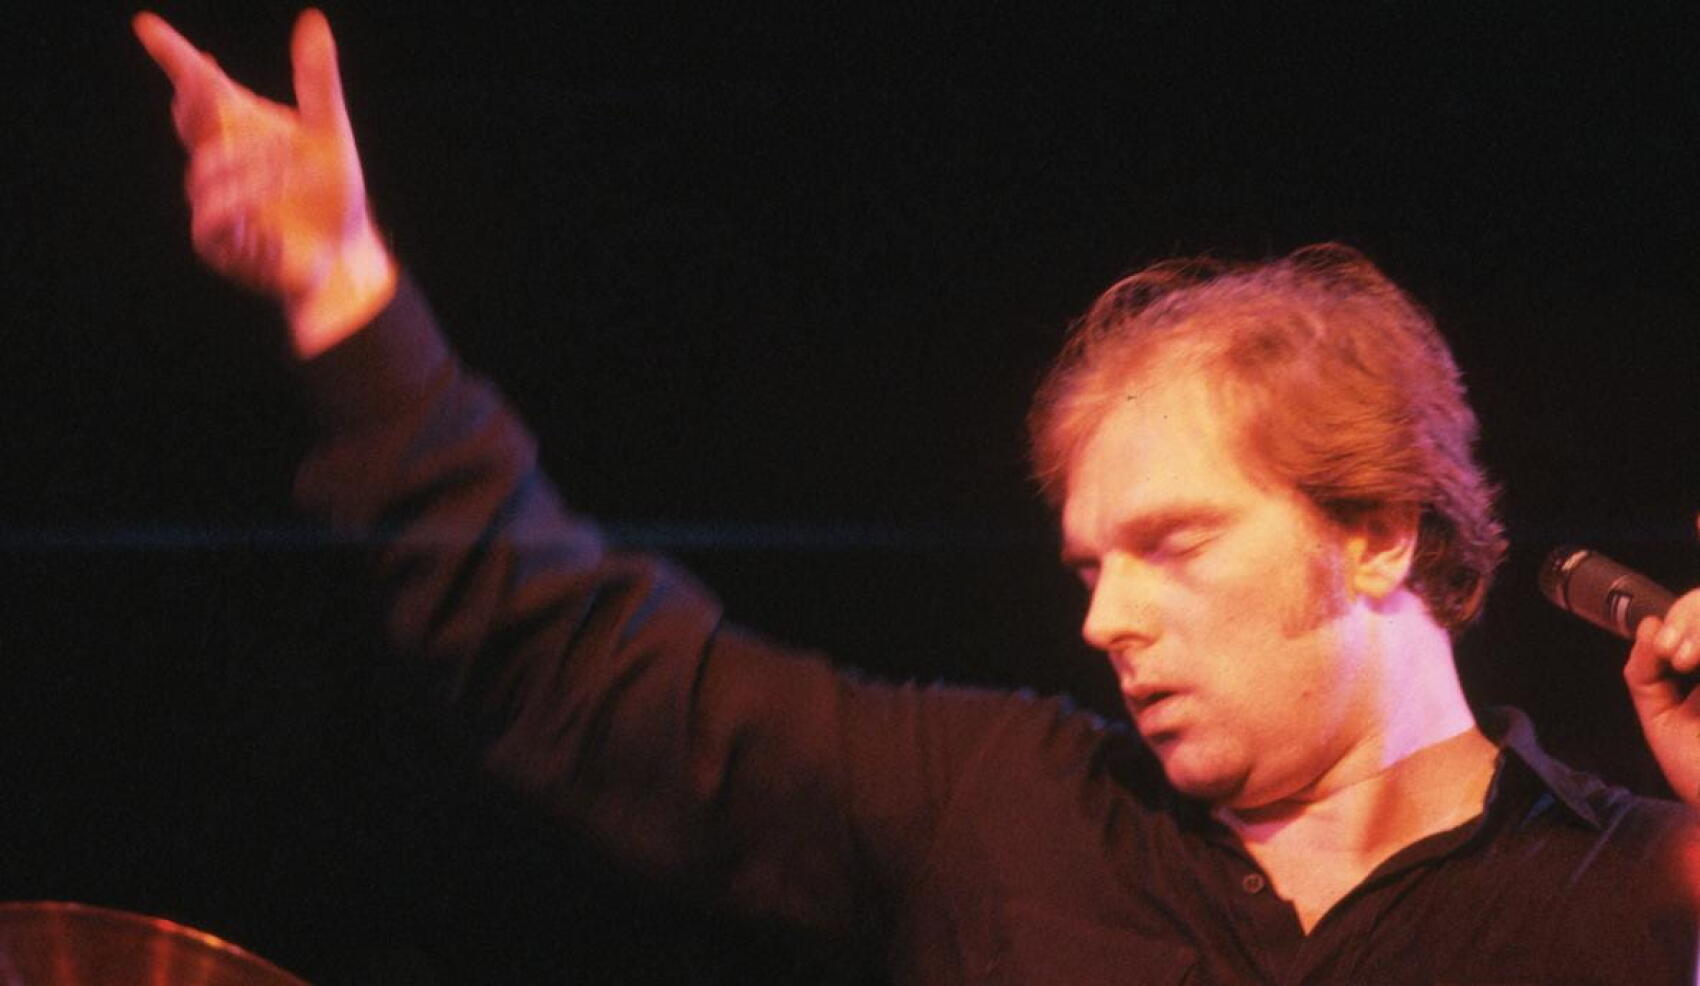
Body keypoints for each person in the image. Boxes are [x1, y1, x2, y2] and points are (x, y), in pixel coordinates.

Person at [135, 9, 1700, 983]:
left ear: (1375, 532)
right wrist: (343, 294)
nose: (1106, 618)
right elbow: (582, 668)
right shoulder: (1004, 809)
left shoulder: (1642, 898)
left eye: (1171, 543)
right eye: (1088, 564)